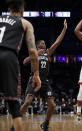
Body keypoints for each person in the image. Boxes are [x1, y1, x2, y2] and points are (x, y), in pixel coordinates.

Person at [11, 19, 67, 131]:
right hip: (34, 80)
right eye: (42, 44)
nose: (44, 45)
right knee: (27, 102)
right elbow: (24, 62)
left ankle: (45, 124)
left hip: (45, 81)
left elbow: (57, 42)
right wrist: (36, 53)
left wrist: (64, 29)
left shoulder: (47, 53)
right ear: (37, 46)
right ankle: (15, 125)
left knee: (52, 105)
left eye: (45, 44)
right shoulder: (33, 53)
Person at [0, 0, 41, 131]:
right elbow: (33, 52)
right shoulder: (25, 23)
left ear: (8, 10)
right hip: (8, 57)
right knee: (13, 104)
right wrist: (36, 74)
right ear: (22, 10)